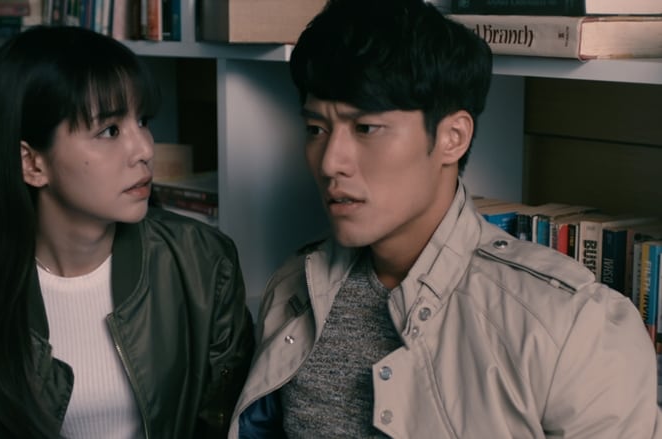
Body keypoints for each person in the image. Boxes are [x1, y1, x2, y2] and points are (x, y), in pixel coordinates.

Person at [229, 0, 662, 437]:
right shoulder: (293, 287)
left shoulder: (573, 328)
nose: (330, 163)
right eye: (316, 129)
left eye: (366, 128)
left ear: (452, 138)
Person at [0, 25, 254, 439]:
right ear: (32, 163)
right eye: (109, 130)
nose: (144, 149)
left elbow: (230, 424)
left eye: (142, 121)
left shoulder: (202, 263)